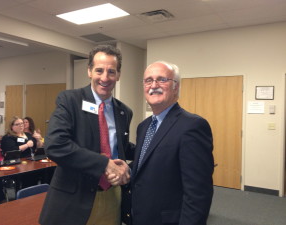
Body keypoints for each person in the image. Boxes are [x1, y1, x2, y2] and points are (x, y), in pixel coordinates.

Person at [39, 45, 134, 225]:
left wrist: (142, 157)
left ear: (119, 75)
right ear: (89, 71)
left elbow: (121, 147)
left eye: (111, 72)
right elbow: (55, 145)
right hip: (73, 200)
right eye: (99, 70)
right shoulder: (70, 100)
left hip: (112, 197)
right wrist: (104, 163)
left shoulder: (124, 112)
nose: (105, 78)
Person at [130, 61, 214, 225]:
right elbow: (148, 166)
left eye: (162, 79)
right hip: (141, 215)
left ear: (176, 86)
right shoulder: (144, 127)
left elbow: (198, 193)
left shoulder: (192, 126)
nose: (154, 85)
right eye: (148, 80)